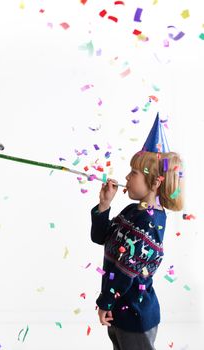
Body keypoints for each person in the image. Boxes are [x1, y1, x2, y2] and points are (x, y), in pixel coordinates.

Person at [90, 116, 184, 350]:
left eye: (134, 172)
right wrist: (104, 206)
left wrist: (105, 302)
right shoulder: (133, 210)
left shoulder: (149, 224)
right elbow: (101, 237)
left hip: (135, 315)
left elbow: (125, 270)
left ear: (154, 183)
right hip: (120, 311)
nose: (127, 177)